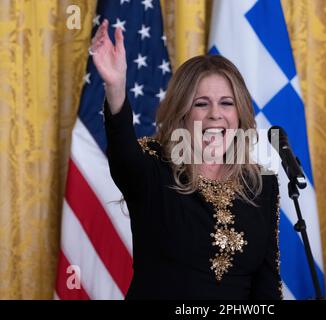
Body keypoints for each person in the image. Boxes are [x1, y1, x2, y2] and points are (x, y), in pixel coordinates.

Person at [91, 19, 282, 300]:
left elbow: (266, 288)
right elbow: (123, 156)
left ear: (240, 115)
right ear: (182, 112)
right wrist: (116, 88)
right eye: (201, 103)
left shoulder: (262, 185)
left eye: (227, 103)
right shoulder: (153, 167)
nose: (215, 114)